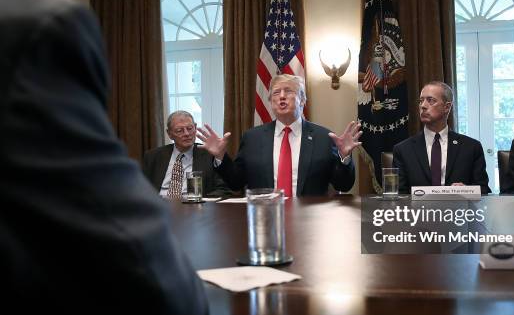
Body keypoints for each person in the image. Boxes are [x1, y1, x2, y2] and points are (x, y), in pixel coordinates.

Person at [0, 0, 207, 315]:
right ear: (169, 132)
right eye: (181, 129)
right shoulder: (41, 24)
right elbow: (172, 309)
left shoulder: (207, 155)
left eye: (191, 127)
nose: (188, 133)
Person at [196, 74, 360, 197]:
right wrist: (220, 157)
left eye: (288, 91)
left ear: (302, 100)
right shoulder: (252, 138)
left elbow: (343, 185)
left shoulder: (323, 137)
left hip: (310, 217)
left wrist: (344, 157)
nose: (281, 96)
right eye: (276, 93)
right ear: (270, 101)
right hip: (265, 216)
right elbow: (236, 182)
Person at [392, 81, 491, 194]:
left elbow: (483, 190)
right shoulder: (403, 150)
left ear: (447, 107)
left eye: (431, 100)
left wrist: (467, 190)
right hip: (419, 211)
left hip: (458, 210)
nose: (423, 106)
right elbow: (399, 194)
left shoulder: (471, 147)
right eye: (421, 101)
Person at [143, 110, 232, 198]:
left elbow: (224, 189)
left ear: (195, 127)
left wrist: (202, 201)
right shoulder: (153, 156)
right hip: (159, 207)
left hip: (195, 207)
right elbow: (141, 188)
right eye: (179, 130)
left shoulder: (209, 154)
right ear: (169, 134)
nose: (186, 134)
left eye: (190, 128)